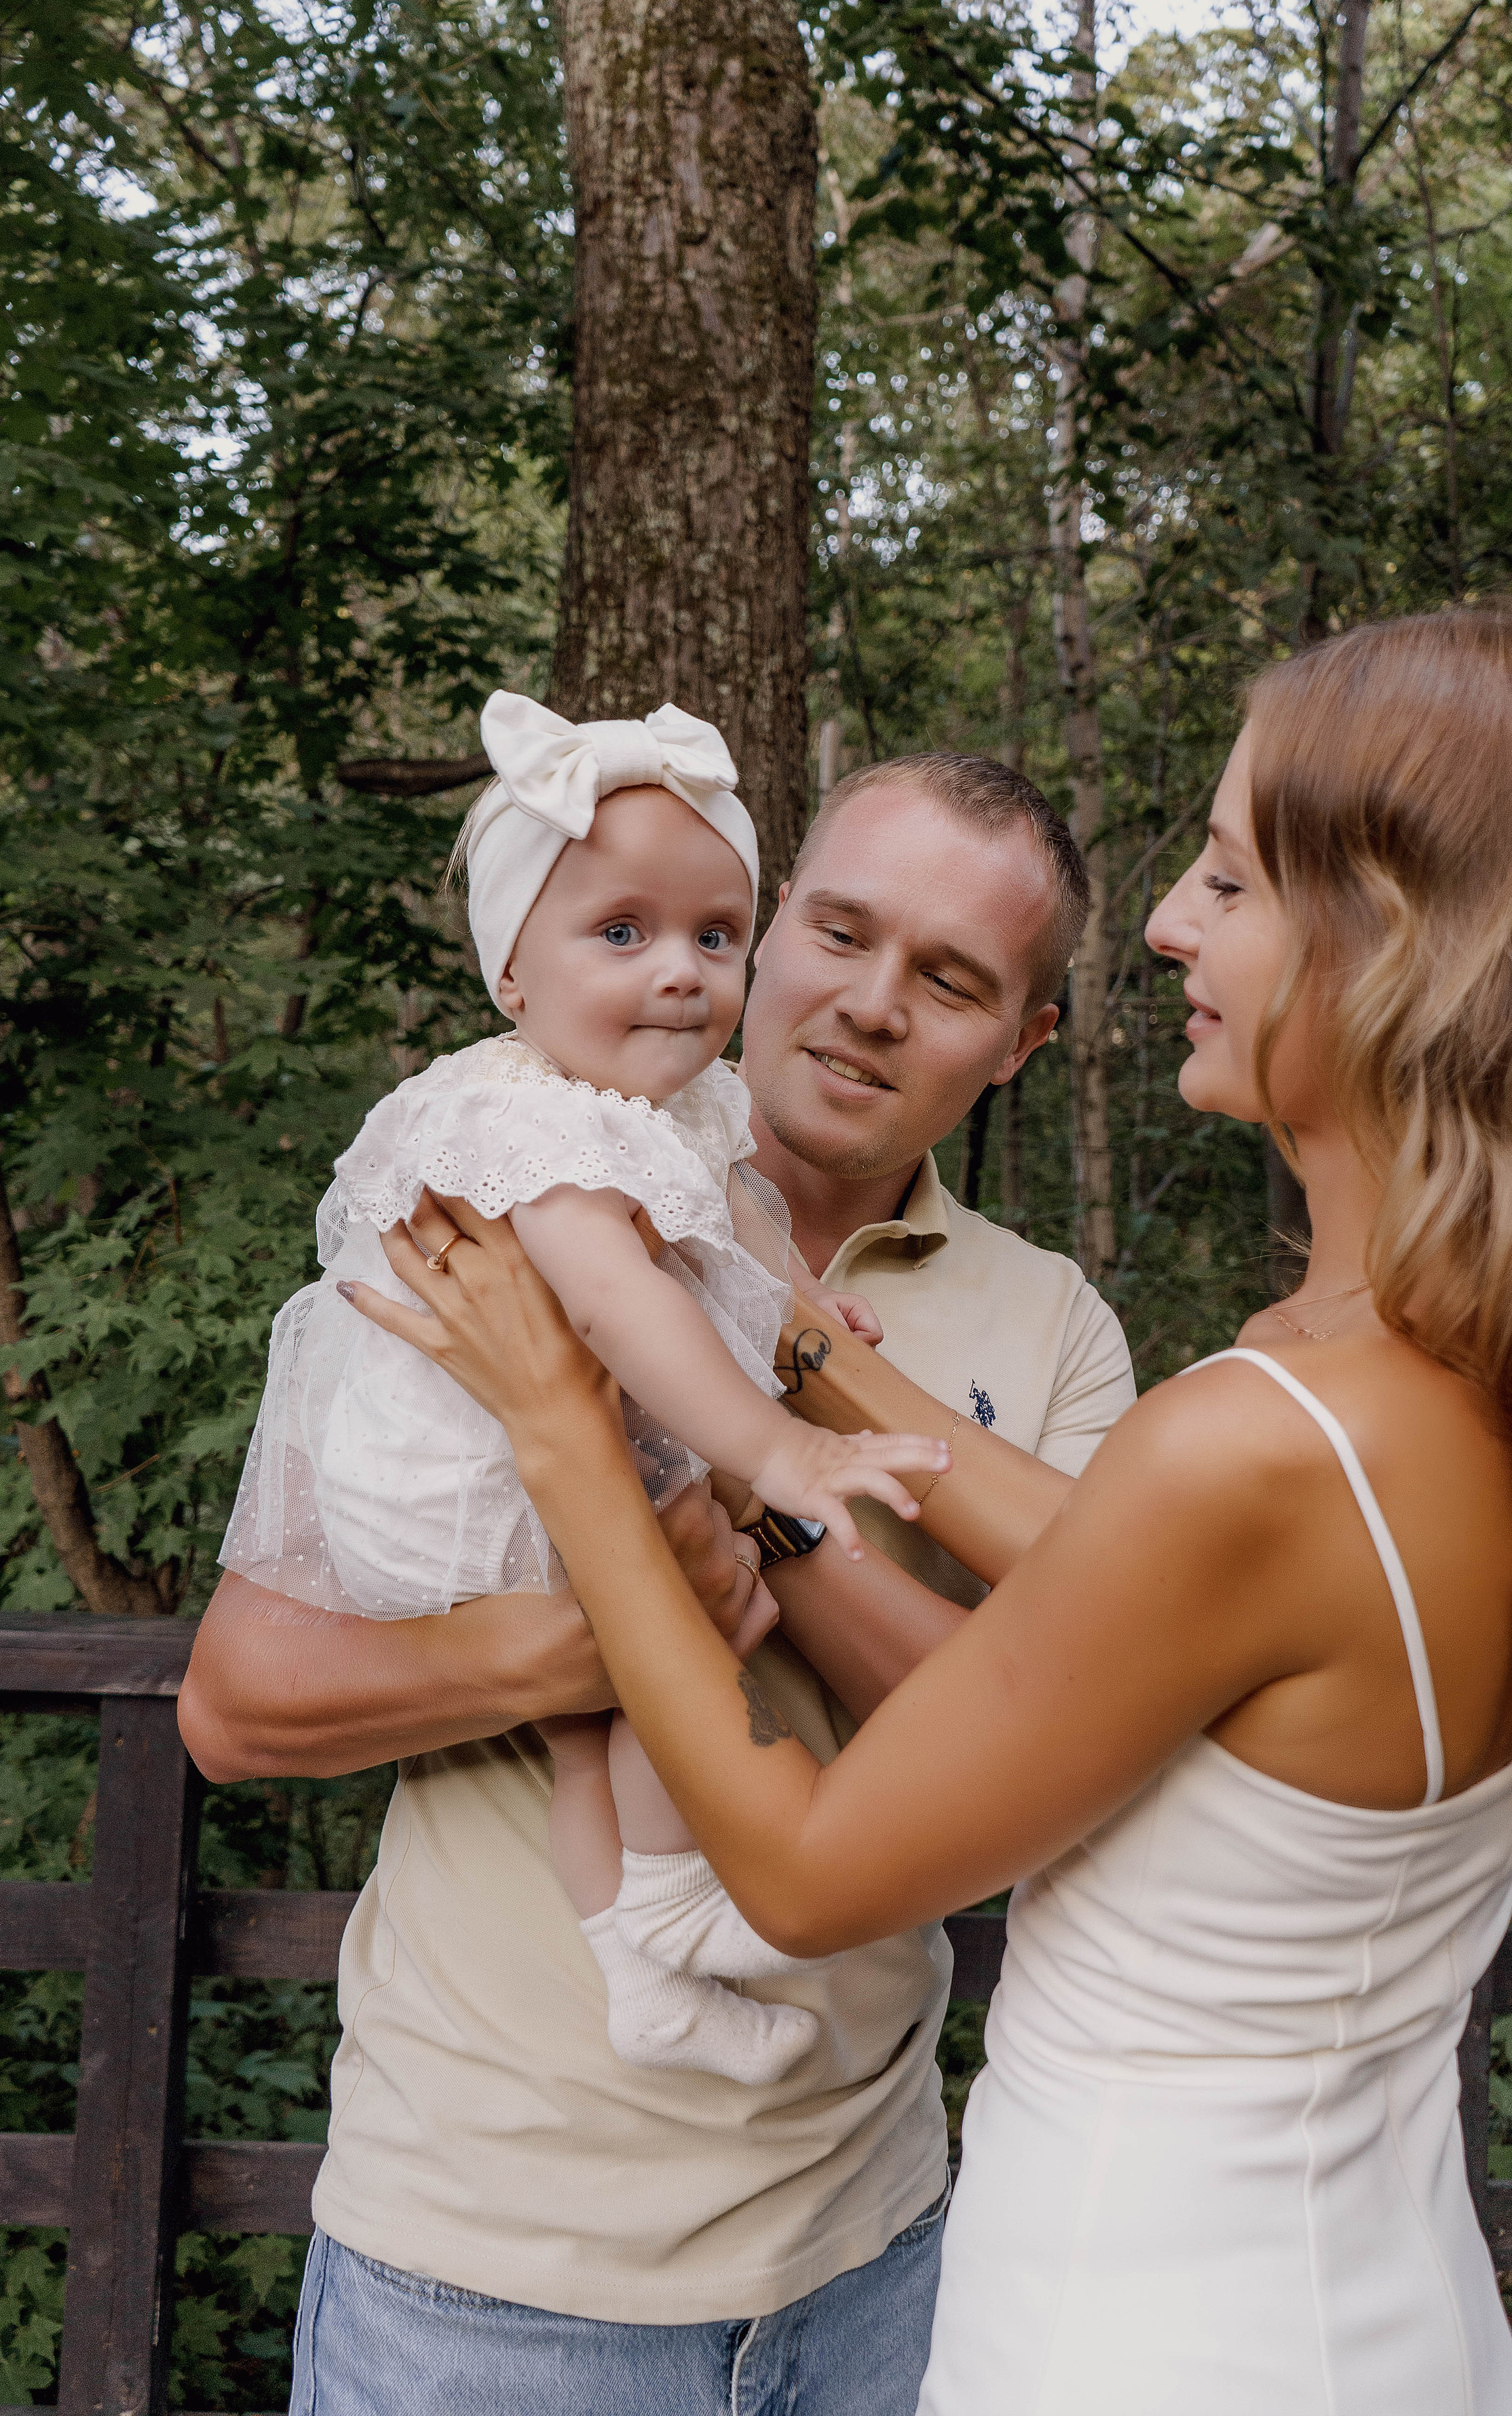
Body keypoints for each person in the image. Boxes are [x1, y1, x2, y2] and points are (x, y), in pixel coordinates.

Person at [354, 602, 1512, 2415]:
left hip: (1150, 2338)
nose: (1179, 929)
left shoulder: (1257, 1438)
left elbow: (806, 1870)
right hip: (1378, 2305)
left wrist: (577, 1431)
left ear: (1398, 948)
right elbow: (1124, 1570)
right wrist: (777, 1346)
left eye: (1228, 880)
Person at [178, 750, 1135, 2413]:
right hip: (478, 2264)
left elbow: (1031, 1753)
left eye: (953, 979)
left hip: (872, 2256)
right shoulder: (492, 1201)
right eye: (837, 933)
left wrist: (730, 1481)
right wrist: (599, 1625)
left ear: (1022, 1040)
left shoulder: (1055, 1330)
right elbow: (235, 1707)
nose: (869, 1006)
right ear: (774, 945)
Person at [221, 691, 945, 2089]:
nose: (679, 971)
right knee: (680, 1601)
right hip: (450, 1482)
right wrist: (781, 1457)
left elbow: (728, 1235)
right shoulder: (523, 1124)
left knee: (603, 1700)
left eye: (714, 936)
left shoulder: (667, 1113)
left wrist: (809, 1319)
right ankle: (673, 1889)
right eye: (621, 934)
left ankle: (634, 1965)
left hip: (516, 1450)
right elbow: (623, 1307)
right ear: (512, 975)